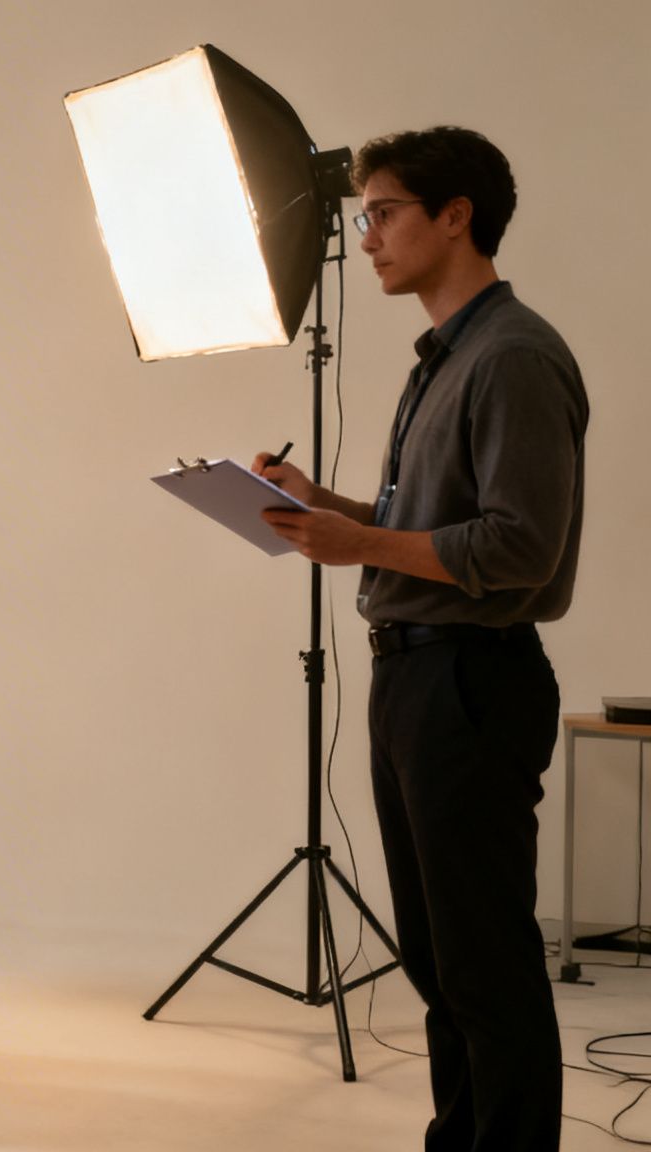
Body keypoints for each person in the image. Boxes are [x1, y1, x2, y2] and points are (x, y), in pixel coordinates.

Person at [257, 126, 587, 1152]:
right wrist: (326, 506)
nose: (365, 238)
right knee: (437, 962)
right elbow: (424, 526)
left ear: (456, 217)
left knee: (482, 963)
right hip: (412, 680)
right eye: (362, 216)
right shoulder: (440, 359)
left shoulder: (512, 356)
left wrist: (355, 538)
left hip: (469, 683)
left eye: (383, 212)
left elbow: (518, 548)